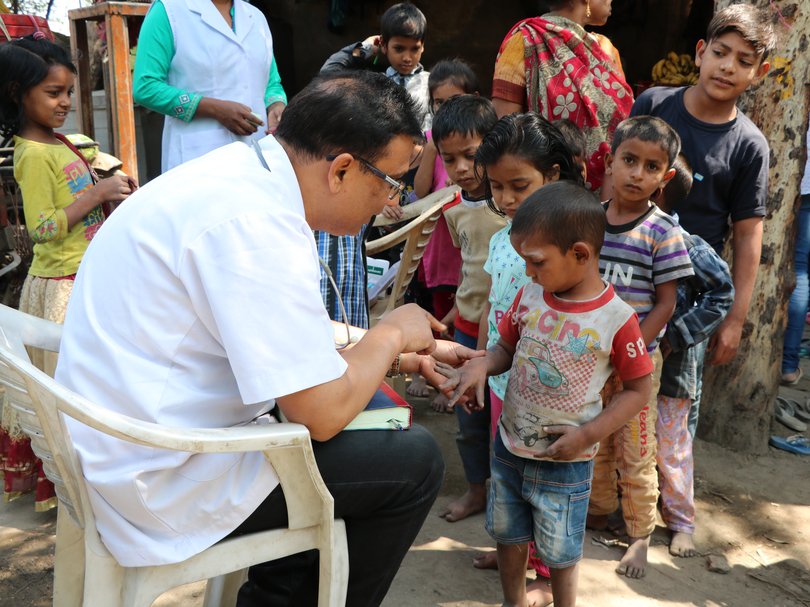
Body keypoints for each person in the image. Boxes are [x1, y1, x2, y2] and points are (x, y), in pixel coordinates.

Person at [53, 71, 477, 607]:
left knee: (360, 416)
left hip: (122, 438)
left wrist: (389, 347)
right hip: (161, 474)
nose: (389, 202)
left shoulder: (238, 175)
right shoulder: (258, 225)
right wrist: (390, 336)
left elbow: (270, 324)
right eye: (391, 183)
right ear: (342, 169)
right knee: (412, 461)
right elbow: (318, 412)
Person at [437, 182, 653, 607]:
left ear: (580, 254)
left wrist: (588, 433)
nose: (529, 273)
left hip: (565, 463)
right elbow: (505, 348)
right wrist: (482, 362)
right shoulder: (531, 294)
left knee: (560, 552)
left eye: (536, 262)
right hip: (508, 448)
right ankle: (513, 601)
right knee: (508, 534)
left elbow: (638, 390)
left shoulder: (616, 319)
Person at [0, 35, 133, 509]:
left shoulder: (59, 143)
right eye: (53, 93)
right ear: (19, 93)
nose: (64, 103)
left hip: (83, 276)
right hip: (60, 288)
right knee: (68, 393)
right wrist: (97, 195)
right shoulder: (34, 155)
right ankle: (66, 484)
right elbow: (41, 229)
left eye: (68, 93)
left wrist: (107, 194)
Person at [630, 7, 775, 444]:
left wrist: (734, 319)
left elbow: (749, 235)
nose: (728, 66)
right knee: (614, 391)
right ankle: (608, 498)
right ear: (700, 52)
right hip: (629, 276)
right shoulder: (654, 104)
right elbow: (612, 184)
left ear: (759, 72)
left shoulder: (749, 145)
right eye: (720, 52)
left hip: (689, 297)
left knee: (673, 406)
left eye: (744, 61)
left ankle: (663, 502)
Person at [470, 112, 584, 605]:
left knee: (545, 481)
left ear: (553, 176)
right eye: (497, 186)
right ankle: (512, 547)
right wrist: (478, 358)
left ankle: (541, 568)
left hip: (551, 391)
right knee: (507, 473)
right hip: (500, 381)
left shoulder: (572, 248)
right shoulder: (501, 241)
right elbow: (493, 307)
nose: (508, 198)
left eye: (520, 185)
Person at [589, 115, 693, 579]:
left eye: (651, 167)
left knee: (636, 448)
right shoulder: (590, 219)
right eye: (629, 160)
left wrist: (630, 352)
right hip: (588, 357)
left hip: (635, 364)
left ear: (665, 177)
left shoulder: (663, 230)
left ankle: (639, 536)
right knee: (594, 442)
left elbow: (666, 304)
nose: (637, 173)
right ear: (609, 162)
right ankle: (595, 514)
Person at [653, 154, 734, 558]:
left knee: (671, 447)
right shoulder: (614, 233)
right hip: (627, 363)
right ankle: (629, 509)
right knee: (628, 441)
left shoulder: (687, 245)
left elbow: (722, 292)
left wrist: (677, 336)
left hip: (673, 369)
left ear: (658, 187)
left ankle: (680, 522)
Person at [432, 95, 507, 521]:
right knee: (469, 417)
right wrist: (453, 313)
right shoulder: (453, 208)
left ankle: (505, 495)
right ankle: (477, 490)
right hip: (465, 327)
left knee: (505, 419)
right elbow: (470, 268)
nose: (461, 168)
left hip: (503, 332)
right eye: (450, 158)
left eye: (471, 156)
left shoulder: (512, 207)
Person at [491, 0, 632, 191]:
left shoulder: (605, 49)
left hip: (611, 195)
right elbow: (507, 133)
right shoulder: (524, 42)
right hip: (549, 194)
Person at [133, 0, 287, 173]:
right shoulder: (169, 11)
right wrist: (213, 109)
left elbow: (271, 82)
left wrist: (276, 105)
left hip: (256, 153)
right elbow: (146, 86)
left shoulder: (256, 17)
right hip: (198, 156)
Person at [407, 58, 478, 399]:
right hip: (434, 248)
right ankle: (427, 370)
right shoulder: (430, 144)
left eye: (454, 101)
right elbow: (420, 191)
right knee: (433, 315)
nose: (445, 109)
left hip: (461, 252)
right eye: (439, 103)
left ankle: (450, 382)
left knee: (456, 317)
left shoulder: (476, 149)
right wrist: (434, 146)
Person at [320, 2, 430, 131]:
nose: (407, 57)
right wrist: (364, 48)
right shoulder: (374, 84)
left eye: (414, 49)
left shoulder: (432, 83)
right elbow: (327, 73)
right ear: (383, 45)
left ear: (422, 46)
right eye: (399, 48)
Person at [781, 116, 810, 385]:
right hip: (802, 184)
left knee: (798, 269)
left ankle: (788, 364)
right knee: (800, 271)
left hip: (797, 181)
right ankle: (788, 364)